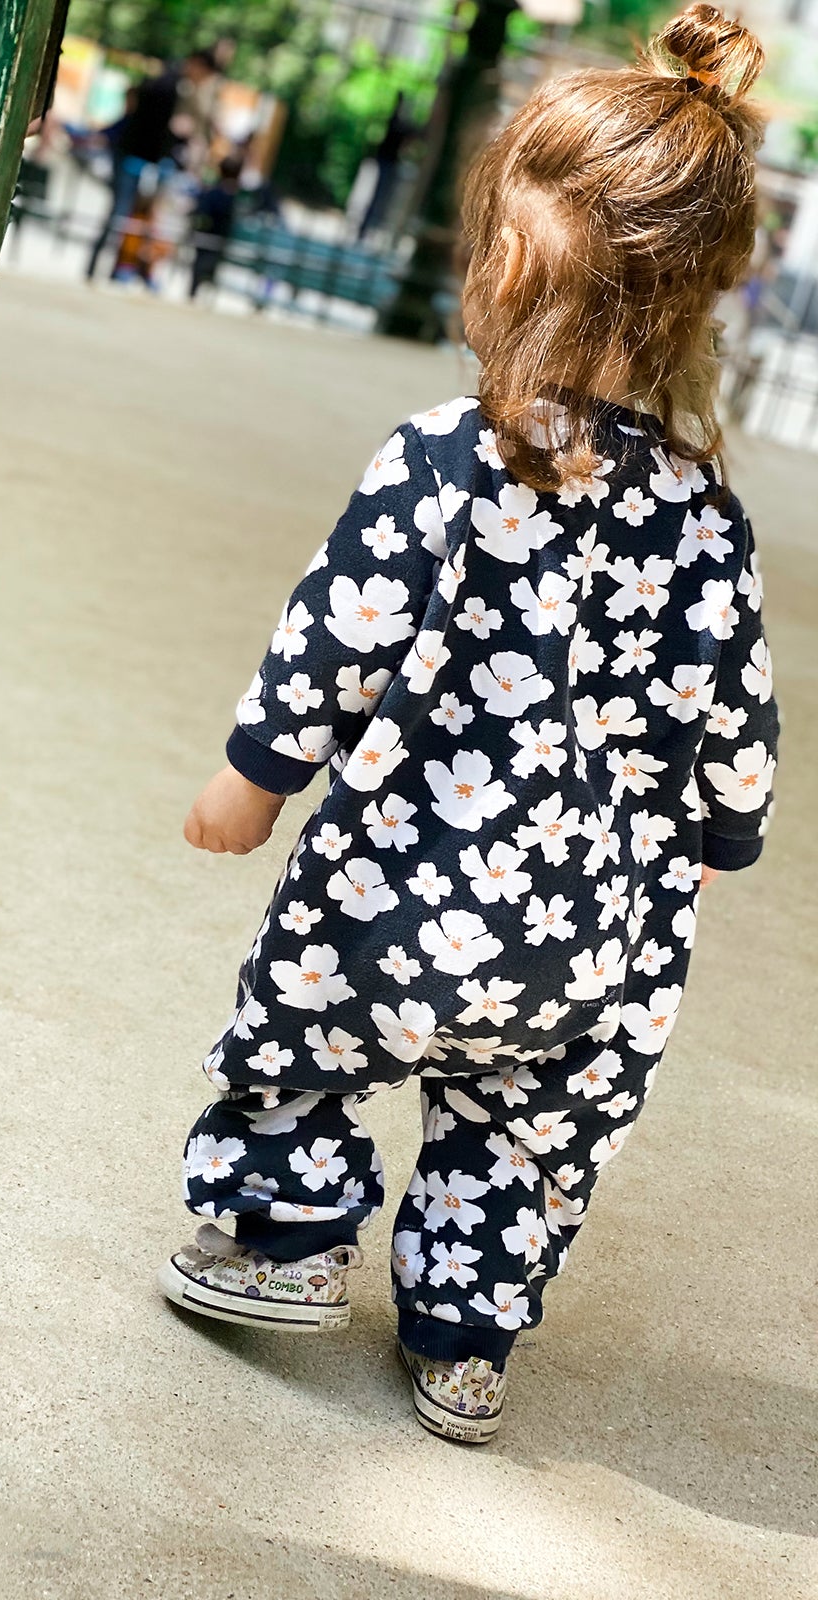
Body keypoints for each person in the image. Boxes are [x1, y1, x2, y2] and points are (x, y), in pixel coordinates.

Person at [159, 3, 780, 1447]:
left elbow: (338, 635)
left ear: (501, 262)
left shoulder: (441, 460)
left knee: (301, 1048)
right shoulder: (706, 517)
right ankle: (464, 1334)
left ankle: (279, 1242)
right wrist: (715, 840)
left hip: (399, 892)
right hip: (594, 935)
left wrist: (251, 781)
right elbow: (736, 723)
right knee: (529, 1143)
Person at [86, 50, 218, 282]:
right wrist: (177, 135)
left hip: (140, 157)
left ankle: (115, 268)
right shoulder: (172, 86)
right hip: (136, 157)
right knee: (122, 215)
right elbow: (155, 127)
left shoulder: (168, 82)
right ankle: (106, 269)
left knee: (129, 216)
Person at [357, 93, 414, 241]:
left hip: (388, 162)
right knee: (379, 196)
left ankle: (368, 228)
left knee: (380, 197)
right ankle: (366, 228)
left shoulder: (397, 121)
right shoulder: (395, 122)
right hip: (387, 162)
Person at [188, 156, 242, 299]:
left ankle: (193, 292)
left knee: (201, 265)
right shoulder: (238, 196)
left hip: (207, 239)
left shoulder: (213, 193)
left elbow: (200, 213)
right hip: (220, 241)